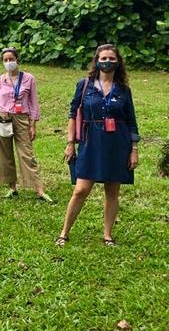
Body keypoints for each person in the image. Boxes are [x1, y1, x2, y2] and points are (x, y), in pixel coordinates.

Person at [57, 44, 140, 247]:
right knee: (80, 189)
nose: (107, 62)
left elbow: (131, 120)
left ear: (118, 62)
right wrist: (70, 143)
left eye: (112, 58)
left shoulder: (123, 90)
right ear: (97, 60)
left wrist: (134, 150)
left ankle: (107, 235)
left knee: (112, 191)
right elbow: (72, 114)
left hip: (117, 143)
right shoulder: (84, 85)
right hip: (90, 141)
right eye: (104, 58)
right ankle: (64, 233)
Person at [0, 47, 54, 203]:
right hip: (3, 116)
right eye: (5, 60)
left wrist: (33, 124)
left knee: (26, 153)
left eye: (11, 59)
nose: (9, 62)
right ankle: (12, 187)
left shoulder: (28, 78)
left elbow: (33, 102)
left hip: (22, 117)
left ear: (17, 60)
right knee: (5, 153)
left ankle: (39, 190)